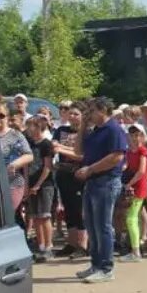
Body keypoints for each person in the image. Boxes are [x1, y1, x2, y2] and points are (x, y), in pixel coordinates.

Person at [73, 98, 129, 284]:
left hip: (107, 182)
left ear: (103, 110)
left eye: (92, 110)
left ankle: (106, 268)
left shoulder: (114, 130)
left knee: (103, 226)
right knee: (92, 226)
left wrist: (90, 169)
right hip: (93, 183)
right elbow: (79, 151)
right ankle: (96, 265)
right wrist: (82, 127)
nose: (89, 114)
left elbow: (116, 157)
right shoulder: (95, 131)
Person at [52, 102, 88, 259]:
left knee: (80, 210)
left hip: (78, 175)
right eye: (70, 113)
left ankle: (83, 245)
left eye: (76, 114)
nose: (72, 116)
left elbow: (82, 155)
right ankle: (72, 243)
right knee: (69, 210)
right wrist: (61, 148)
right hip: (63, 173)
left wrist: (62, 148)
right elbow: (54, 147)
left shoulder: (86, 132)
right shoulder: (61, 130)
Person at [25, 115, 56, 261]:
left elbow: (47, 167)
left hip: (44, 185)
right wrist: (27, 184)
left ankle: (49, 247)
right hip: (31, 184)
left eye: (31, 126)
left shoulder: (46, 144)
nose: (29, 129)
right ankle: (41, 245)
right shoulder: (30, 143)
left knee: (44, 216)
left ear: (38, 127)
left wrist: (38, 185)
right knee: (35, 217)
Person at [121, 124, 147, 263]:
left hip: (138, 187)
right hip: (132, 186)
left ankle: (136, 252)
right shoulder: (129, 152)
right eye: (133, 135)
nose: (136, 138)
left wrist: (129, 183)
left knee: (131, 219)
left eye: (139, 135)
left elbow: (141, 171)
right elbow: (126, 166)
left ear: (143, 136)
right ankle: (135, 249)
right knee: (131, 218)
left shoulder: (143, 150)